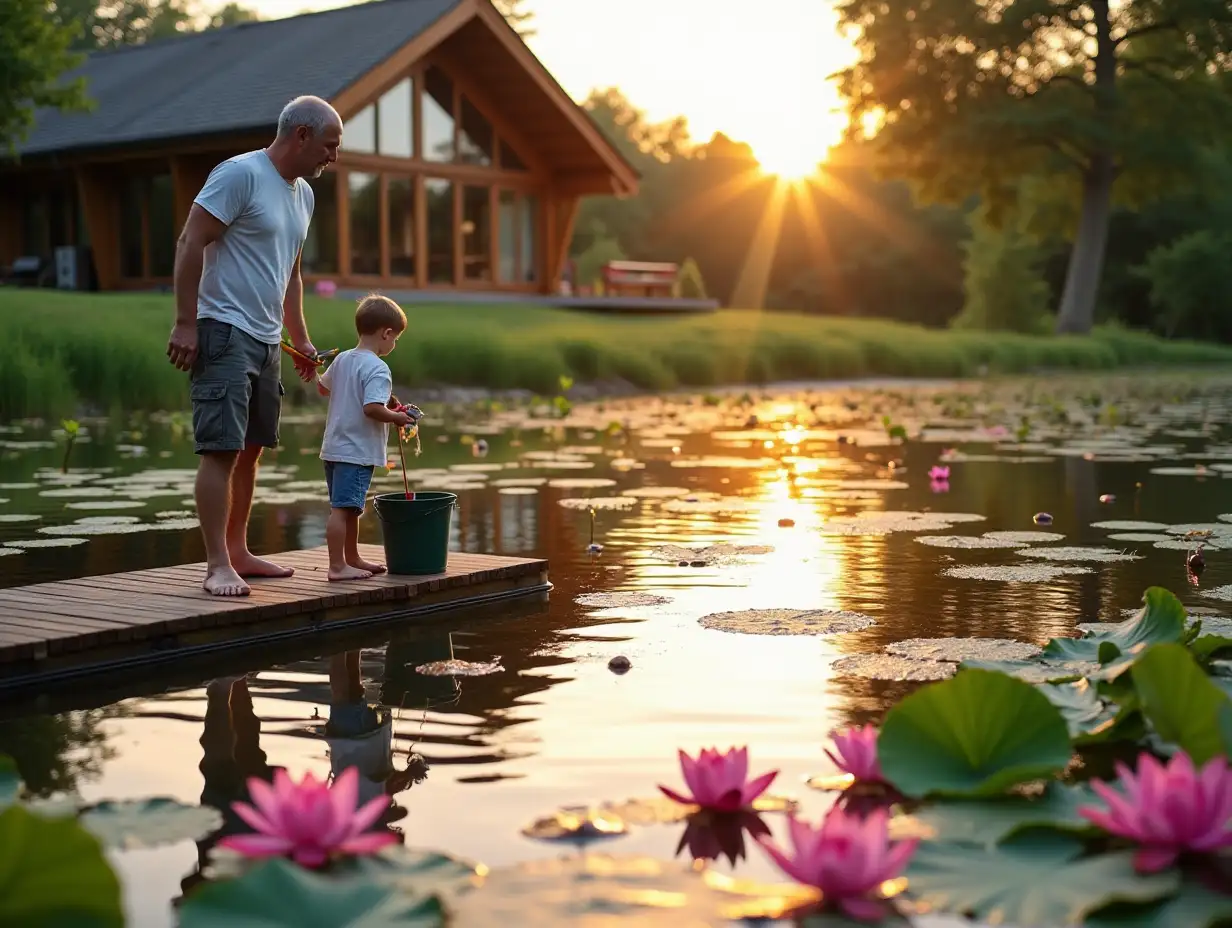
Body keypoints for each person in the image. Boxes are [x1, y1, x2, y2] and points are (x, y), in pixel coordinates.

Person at [167, 95, 342, 598]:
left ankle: (239, 550)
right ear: (302, 135)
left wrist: (301, 338)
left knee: (250, 451)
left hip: (267, 339)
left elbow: (291, 272)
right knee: (220, 450)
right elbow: (190, 241)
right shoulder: (239, 174)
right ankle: (217, 565)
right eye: (329, 145)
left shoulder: (302, 194)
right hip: (222, 329)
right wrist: (185, 323)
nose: (333, 156)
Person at [316, 294, 418, 581]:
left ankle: (352, 558)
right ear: (386, 333)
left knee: (350, 509)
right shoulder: (377, 367)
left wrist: (312, 369)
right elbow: (372, 408)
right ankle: (337, 567)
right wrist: (398, 417)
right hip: (356, 451)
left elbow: (323, 389)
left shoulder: (343, 359)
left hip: (335, 448)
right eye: (395, 338)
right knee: (341, 510)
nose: (394, 344)